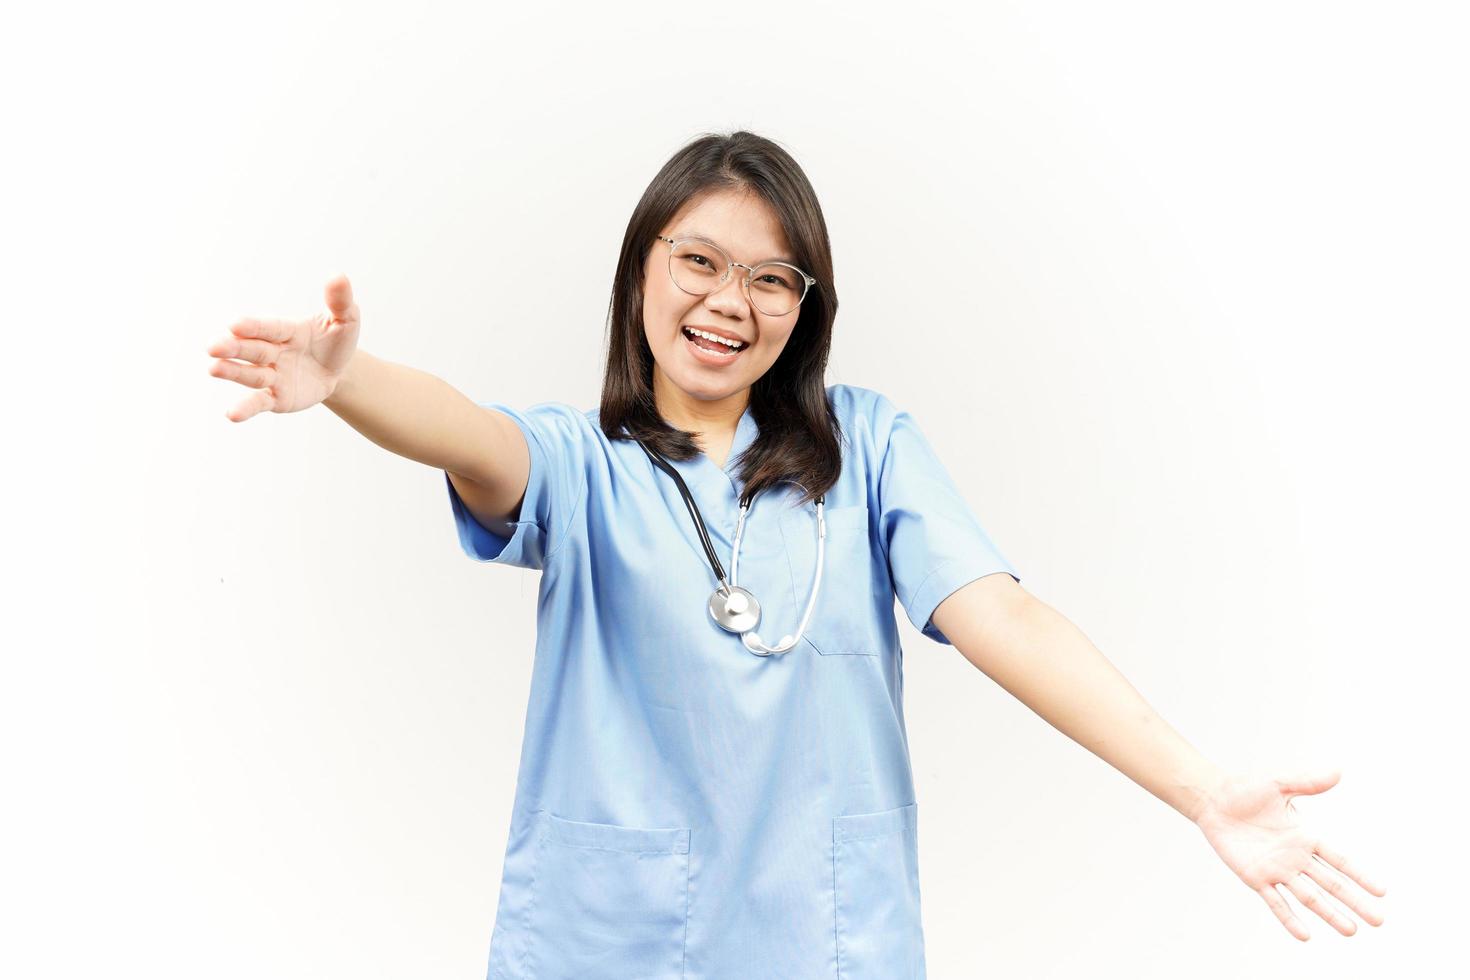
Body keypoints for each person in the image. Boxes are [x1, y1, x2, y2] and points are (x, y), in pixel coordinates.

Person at [206, 131, 1386, 978]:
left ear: (803, 307)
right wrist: (350, 379)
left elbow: (1003, 617)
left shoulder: (868, 448)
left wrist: (1200, 788)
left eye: (773, 277)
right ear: (642, 274)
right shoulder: (584, 464)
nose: (732, 301)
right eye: (700, 261)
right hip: (603, 943)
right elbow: (467, 430)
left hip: (827, 943)